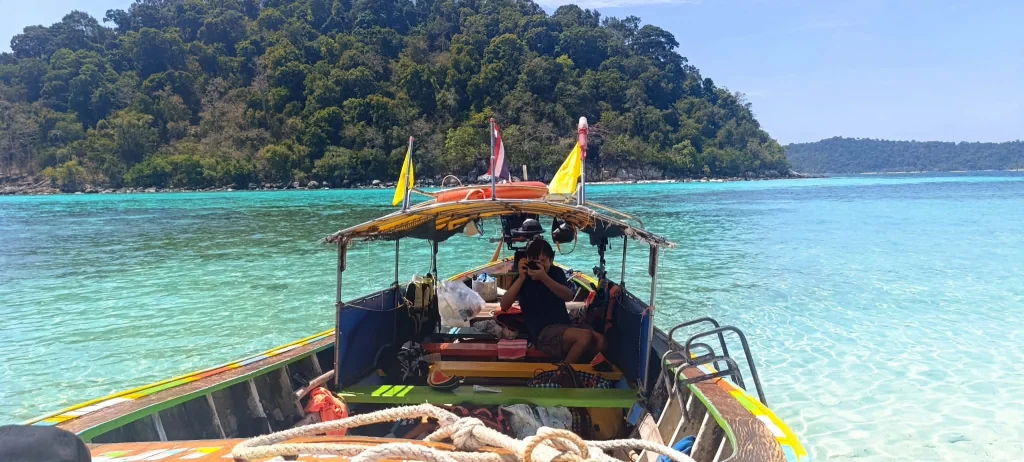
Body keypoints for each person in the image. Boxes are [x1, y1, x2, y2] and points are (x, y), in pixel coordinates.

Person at [500, 237, 606, 363]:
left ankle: (575, 366)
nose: (538, 264)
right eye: (534, 260)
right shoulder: (523, 278)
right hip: (542, 333)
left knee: (602, 342)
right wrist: (521, 278)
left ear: (551, 260)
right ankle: (563, 373)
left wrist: (544, 277)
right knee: (585, 337)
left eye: (543, 260)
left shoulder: (556, 273)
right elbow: (504, 305)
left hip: (564, 325)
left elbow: (568, 296)